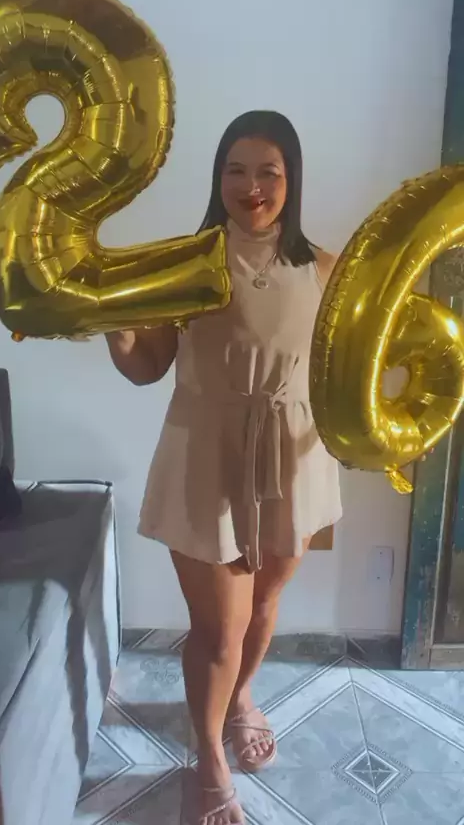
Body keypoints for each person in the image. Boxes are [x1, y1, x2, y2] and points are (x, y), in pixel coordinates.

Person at [106, 110, 342, 825]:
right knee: (218, 630)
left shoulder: (327, 269)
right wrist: (116, 327)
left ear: (292, 180)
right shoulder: (185, 263)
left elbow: (347, 369)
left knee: (264, 606)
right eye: (235, 170)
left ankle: (240, 697)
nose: (252, 186)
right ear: (218, 179)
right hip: (204, 455)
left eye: (269, 171)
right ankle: (208, 757)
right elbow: (147, 367)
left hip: (292, 457)